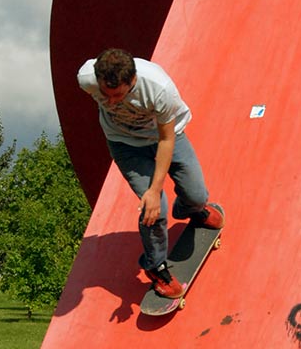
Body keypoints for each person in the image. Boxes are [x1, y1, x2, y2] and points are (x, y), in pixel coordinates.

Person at [78, 48, 224, 299]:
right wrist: (152, 196)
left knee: (197, 194)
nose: (111, 102)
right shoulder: (87, 78)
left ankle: (192, 209)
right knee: (154, 210)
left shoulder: (159, 89)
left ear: (132, 81)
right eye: (106, 94)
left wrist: (156, 189)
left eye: (119, 95)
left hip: (167, 137)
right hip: (124, 145)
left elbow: (166, 140)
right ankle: (155, 266)